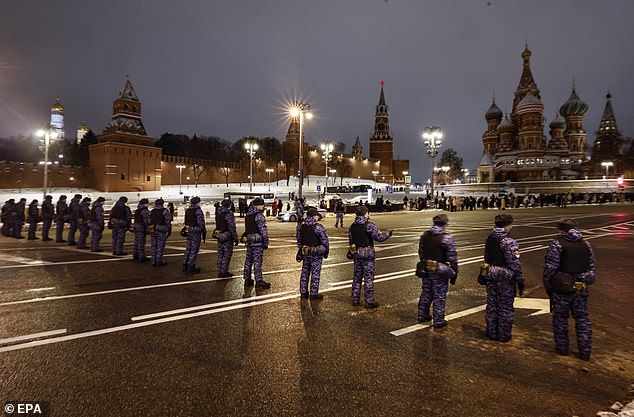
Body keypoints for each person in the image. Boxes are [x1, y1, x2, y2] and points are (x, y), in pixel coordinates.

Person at [543, 218, 596, 360]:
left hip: (562, 288)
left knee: (560, 319)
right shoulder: (586, 243)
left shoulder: (557, 244)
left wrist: (548, 286)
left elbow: (550, 268)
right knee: (583, 319)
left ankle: (562, 349)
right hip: (581, 287)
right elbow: (591, 266)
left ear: (561, 229)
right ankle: (585, 351)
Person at [483, 214, 525, 342]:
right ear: (507, 225)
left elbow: (486, 256)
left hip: (490, 274)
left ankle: (491, 332)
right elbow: (514, 263)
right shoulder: (508, 241)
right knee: (505, 307)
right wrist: (520, 279)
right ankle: (503, 334)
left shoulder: (490, 238)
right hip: (505, 277)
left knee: (492, 304)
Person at [417, 214, 458, 327]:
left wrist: (425, 263)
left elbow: (420, 251)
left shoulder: (425, 235)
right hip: (439, 270)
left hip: (426, 268)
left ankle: (422, 315)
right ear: (445, 224)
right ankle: (438, 321)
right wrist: (454, 272)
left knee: (426, 293)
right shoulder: (446, 237)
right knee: (439, 295)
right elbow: (452, 257)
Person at [348, 205, 392, 308]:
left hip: (357, 253)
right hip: (367, 254)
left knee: (357, 277)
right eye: (367, 213)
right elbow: (379, 237)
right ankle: (369, 301)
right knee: (368, 278)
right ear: (365, 213)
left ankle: (355, 299)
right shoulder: (369, 225)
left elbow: (351, 241)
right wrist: (387, 234)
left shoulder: (352, 226)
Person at [297, 207, 329, 299]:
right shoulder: (318, 227)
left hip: (305, 252)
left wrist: (301, 250)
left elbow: (299, 240)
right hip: (316, 253)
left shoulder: (301, 226)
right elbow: (325, 241)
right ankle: (313, 293)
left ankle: (303, 292)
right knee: (315, 273)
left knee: (305, 272)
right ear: (315, 216)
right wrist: (326, 252)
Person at [242, 197, 270, 289]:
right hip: (257, 241)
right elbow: (263, 231)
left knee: (248, 260)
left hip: (250, 240)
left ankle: (247, 279)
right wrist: (265, 242)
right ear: (257, 206)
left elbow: (247, 229)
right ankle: (259, 281)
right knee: (257, 261)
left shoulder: (248, 215)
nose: (263, 207)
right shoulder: (259, 216)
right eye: (262, 205)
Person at [215, 199, 238, 278]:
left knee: (220, 253)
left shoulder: (218, 212)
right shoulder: (229, 213)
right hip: (227, 235)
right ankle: (224, 271)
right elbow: (231, 226)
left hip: (219, 234)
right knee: (227, 254)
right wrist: (235, 237)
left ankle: (219, 269)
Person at [183, 196, 206, 273]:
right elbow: (200, 222)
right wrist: (203, 229)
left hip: (188, 230)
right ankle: (191, 266)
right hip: (195, 231)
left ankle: (185, 264)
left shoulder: (188, 210)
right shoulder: (198, 210)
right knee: (194, 249)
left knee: (188, 248)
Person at [150, 198, 171, 266]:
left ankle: (153, 261)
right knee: (160, 246)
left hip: (153, 230)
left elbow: (149, 220)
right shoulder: (165, 211)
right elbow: (168, 221)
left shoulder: (152, 211)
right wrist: (168, 229)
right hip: (161, 230)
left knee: (154, 246)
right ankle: (159, 261)